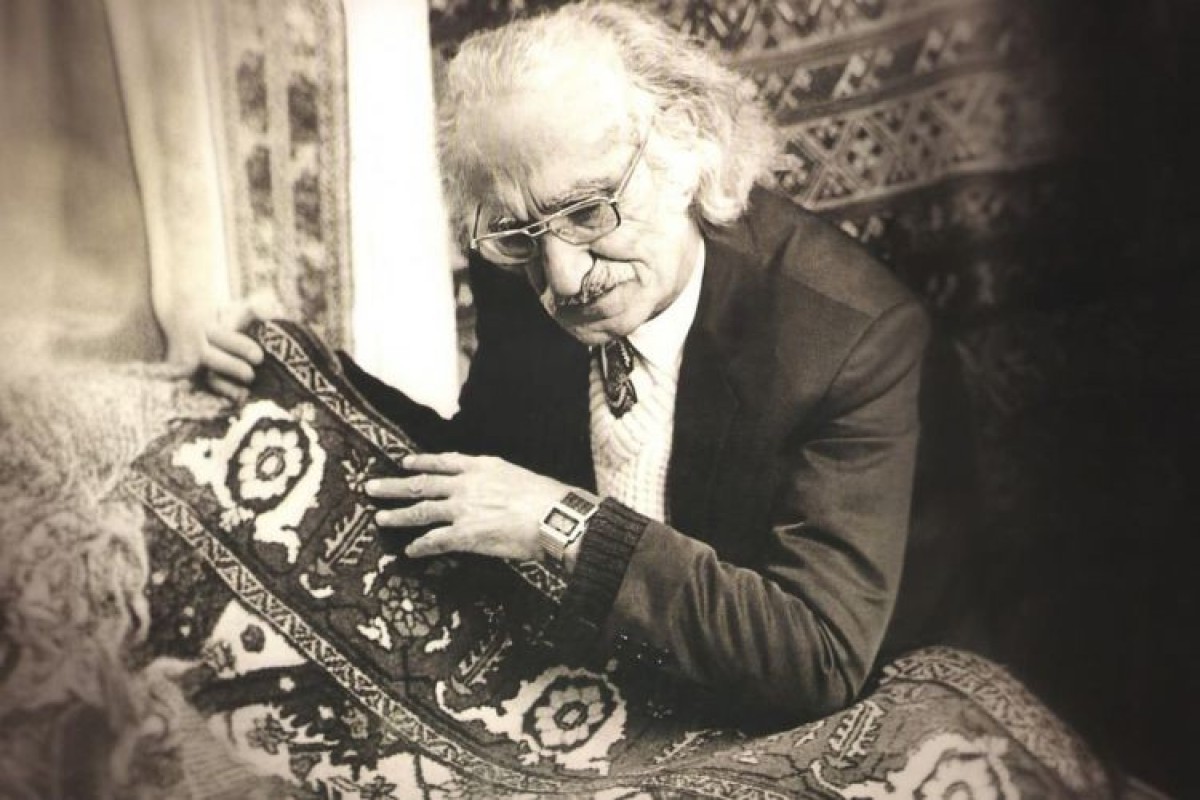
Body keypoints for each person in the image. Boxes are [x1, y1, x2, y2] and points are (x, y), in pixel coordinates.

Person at [201, 1, 930, 728]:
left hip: (811, 715)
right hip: (606, 705)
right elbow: (488, 468)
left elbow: (817, 659)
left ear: (687, 149)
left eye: (589, 212)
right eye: (519, 235)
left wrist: (562, 523)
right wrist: (302, 372)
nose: (564, 280)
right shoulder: (523, 259)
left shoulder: (851, 339)